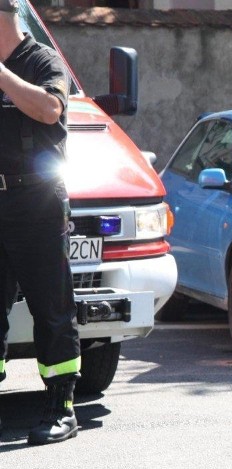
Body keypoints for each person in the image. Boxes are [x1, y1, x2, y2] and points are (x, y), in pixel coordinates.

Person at [0, 0, 81, 444]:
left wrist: (2, 76)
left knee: (51, 308)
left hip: (36, 201)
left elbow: (51, 109)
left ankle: (61, 408)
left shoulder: (42, 61)